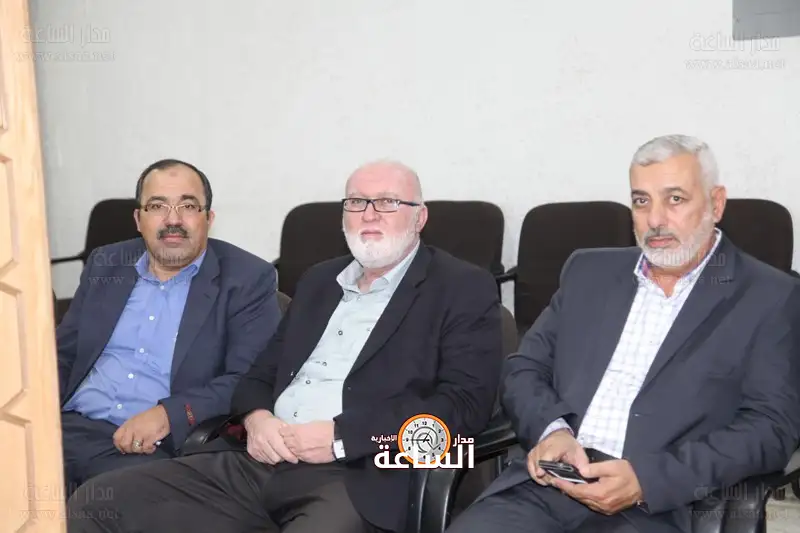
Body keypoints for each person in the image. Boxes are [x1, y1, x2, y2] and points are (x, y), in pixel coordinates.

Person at [66, 159, 504, 533]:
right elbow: (256, 376)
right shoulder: (319, 282)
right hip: (257, 460)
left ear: (419, 217)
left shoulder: (462, 288)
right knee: (99, 504)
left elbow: (464, 407)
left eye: (388, 202)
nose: (369, 214)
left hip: (358, 475)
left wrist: (341, 439)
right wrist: (256, 419)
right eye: (356, 202)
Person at [447, 135, 800, 533]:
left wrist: (647, 479)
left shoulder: (768, 296)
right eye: (641, 200)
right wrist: (552, 430)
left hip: (659, 506)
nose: (655, 220)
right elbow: (524, 367)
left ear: (715, 204)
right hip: (547, 488)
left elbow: (771, 428)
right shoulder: (589, 273)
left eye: (675, 199)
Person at [58, 159, 282, 495]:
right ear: (139, 219)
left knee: (100, 503)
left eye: (188, 206)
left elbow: (250, 378)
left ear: (209, 218)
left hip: (149, 448)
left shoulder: (247, 279)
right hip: (67, 428)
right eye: (157, 206)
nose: (173, 220)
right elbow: (64, 353)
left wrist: (168, 415)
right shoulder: (106, 264)